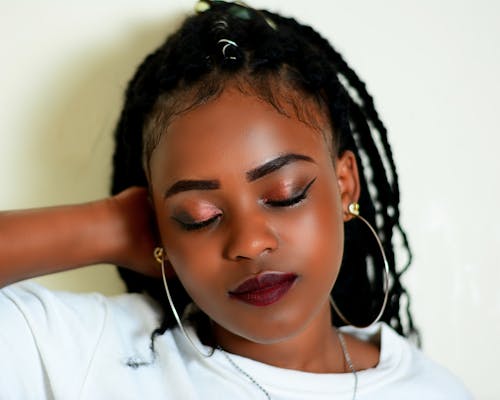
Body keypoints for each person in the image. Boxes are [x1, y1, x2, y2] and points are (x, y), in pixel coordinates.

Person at [0, 1, 471, 399]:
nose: (248, 242)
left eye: (285, 195)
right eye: (198, 216)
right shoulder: (88, 354)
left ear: (345, 182)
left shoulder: (432, 390)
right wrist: (110, 227)